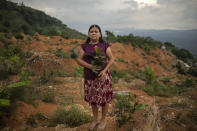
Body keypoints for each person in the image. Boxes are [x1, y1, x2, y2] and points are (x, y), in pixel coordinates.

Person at [76, 24, 115, 131]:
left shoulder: (104, 45)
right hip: (89, 77)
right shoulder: (84, 46)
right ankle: (95, 119)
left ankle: (103, 120)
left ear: (100, 34)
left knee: (104, 100)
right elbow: (79, 60)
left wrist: (104, 70)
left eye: (96, 31)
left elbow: (111, 59)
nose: (93, 33)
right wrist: (90, 66)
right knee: (93, 99)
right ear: (88, 34)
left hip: (103, 77)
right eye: (91, 31)